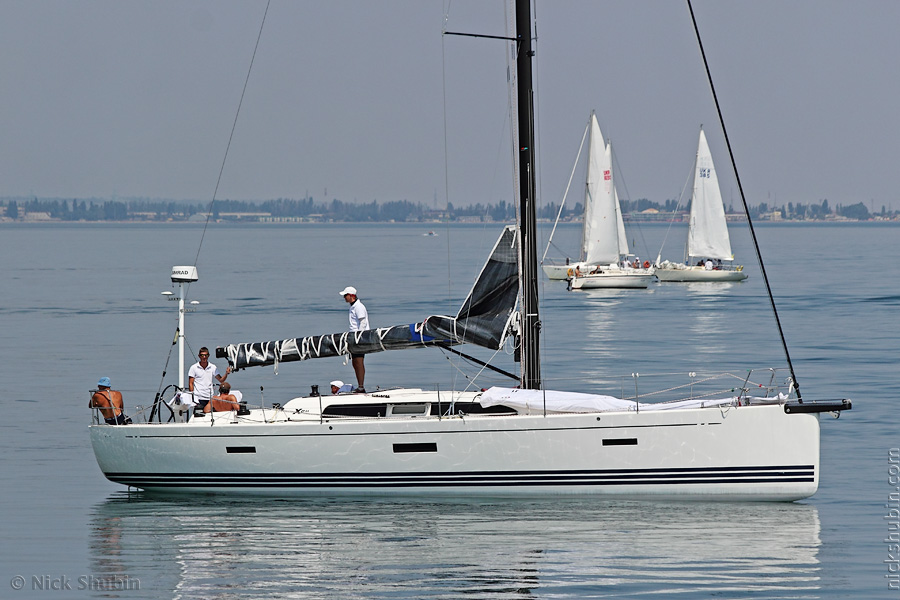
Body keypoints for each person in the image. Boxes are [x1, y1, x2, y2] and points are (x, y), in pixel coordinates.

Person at [339, 286, 369, 393]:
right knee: (355, 362)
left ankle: (361, 387)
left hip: (359, 338)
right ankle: (360, 386)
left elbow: (363, 322)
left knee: (359, 361)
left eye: (345, 295)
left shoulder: (359, 306)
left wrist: (359, 336)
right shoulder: (353, 307)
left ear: (352, 296)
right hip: (353, 337)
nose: (344, 298)